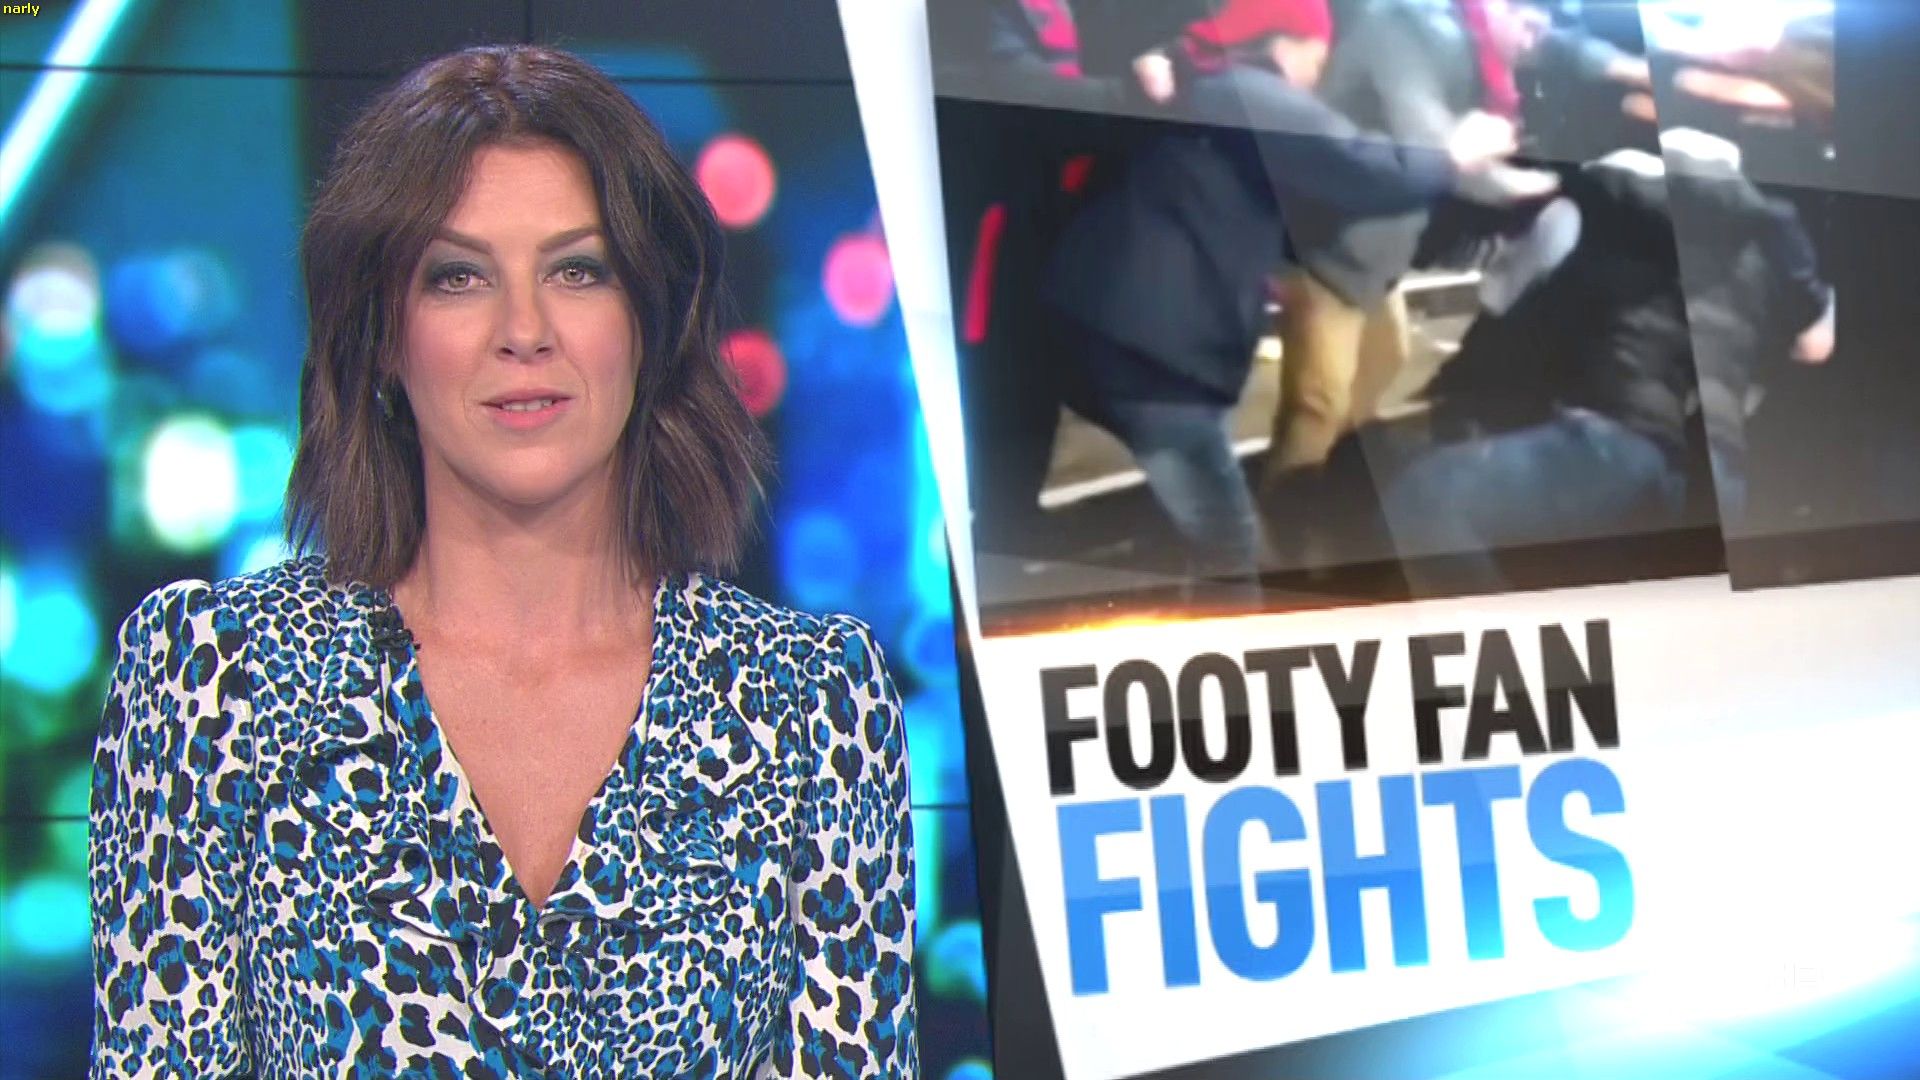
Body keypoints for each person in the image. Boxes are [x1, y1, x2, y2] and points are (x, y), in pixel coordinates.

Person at [88, 46, 917, 1079]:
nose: (524, 331)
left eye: (577, 270)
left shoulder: (811, 702)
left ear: (649, 319)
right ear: (382, 335)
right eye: (458, 277)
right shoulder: (214, 683)